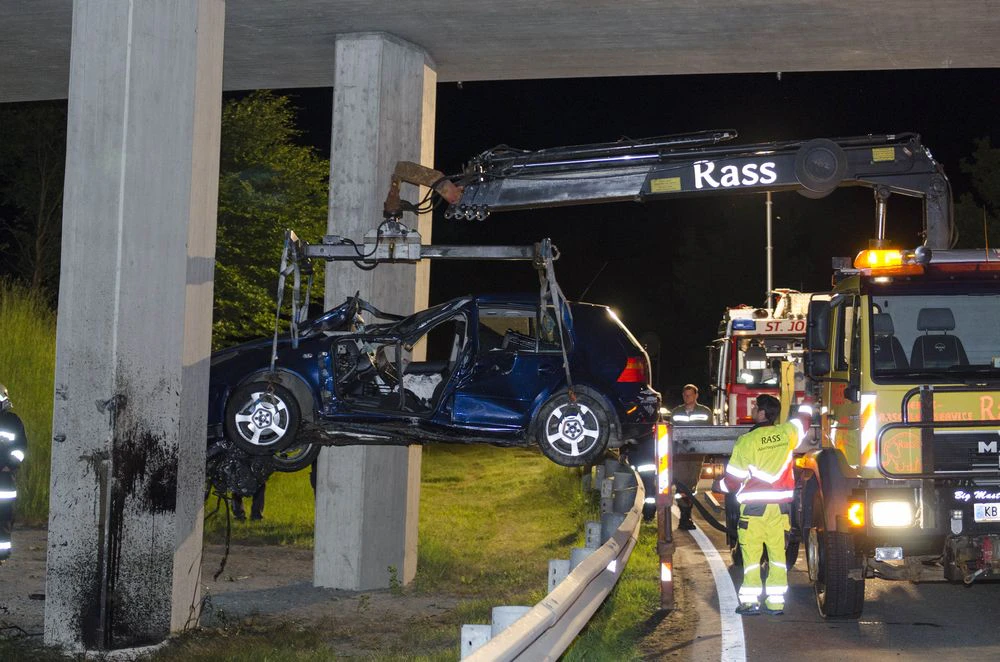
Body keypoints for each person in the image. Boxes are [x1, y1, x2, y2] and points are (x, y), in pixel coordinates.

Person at [720, 393, 813, 616]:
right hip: (780, 511)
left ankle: (750, 603)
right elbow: (804, 421)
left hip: (753, 511)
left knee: (752, 558)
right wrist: (808, 401)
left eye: (755, 407)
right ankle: (776, 603)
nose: (753, 410)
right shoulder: (786, 433)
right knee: (777, 557)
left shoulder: (747, 441)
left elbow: (732, 481)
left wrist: (719, 485)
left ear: (762, 413)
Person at [669, 384, 714, 530]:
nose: (687, 397)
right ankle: (684, 515)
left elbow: (709, 432)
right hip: (680, 454)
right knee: (681, 484)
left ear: (696, 396)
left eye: (690, 395)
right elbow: (671, 431)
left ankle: (687, 514)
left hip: (696, 453)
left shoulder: (705, 412)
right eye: (685, 395)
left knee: (692, 484)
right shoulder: (676, 412)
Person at [0, 385, 28, 560]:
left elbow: (20, 448)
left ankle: (2, 554)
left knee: (4, 517)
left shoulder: (13, 421)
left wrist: (9, 465)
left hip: (4, 480)